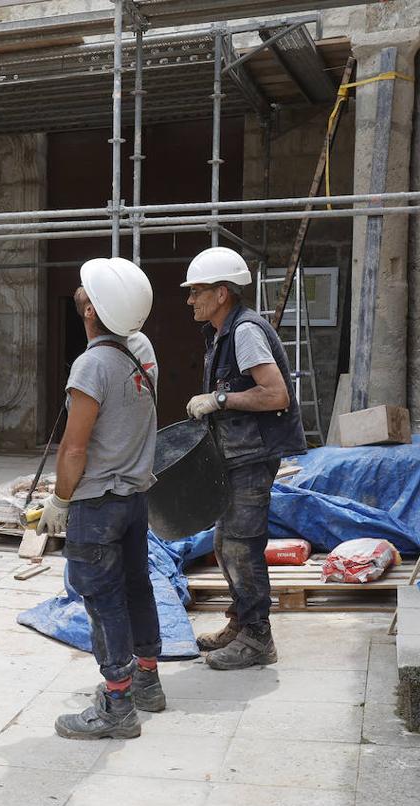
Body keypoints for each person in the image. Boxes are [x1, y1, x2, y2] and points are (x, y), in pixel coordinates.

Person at [38, 257, 163, 740]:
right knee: (137, 587)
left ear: (90, 311)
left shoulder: (91, 365)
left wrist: (60, 501)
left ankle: (117, 704)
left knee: (103, 600)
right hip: (135, 498)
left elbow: (74, 448)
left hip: (97, 504)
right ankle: (148, 680)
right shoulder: (143, 349)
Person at [181, 247, 306, 670]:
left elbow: (276, 394)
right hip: (235, 455)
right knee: (224, 543)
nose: (190, 300)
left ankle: (258, 638)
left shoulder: (244, 331)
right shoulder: (222, 332)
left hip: (253, 457)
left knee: (241, 545)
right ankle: (240, 622)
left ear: (222, 294)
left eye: (196, 291)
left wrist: (218, 399)